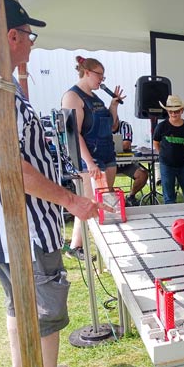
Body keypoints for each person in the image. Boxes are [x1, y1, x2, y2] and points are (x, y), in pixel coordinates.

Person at [0, 0, 107, 367]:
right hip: (25, 226)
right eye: (30, 36)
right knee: (46, 306)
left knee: (19, 302)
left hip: (3, 226)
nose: (32, 44)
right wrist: (72, 201)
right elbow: (9, 166)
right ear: (11, 36)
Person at [61, 55, 125, 260]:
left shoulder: (96, 98)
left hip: (107, 154)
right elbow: (74, 133)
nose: (101, 80)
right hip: (91, 158)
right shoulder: (73, 96)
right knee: (89, 202)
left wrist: (113, 105)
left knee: (104, 201)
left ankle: (95, 245)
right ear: (86, 72)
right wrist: (89, 162)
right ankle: (78, 247)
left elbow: (112, 126)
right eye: (99, 75)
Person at [153, 94, 184, 204]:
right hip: (166, 165)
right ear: (167, 112)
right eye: (170, 111)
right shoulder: (161, 126)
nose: (173, 114)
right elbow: (156, 142)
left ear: (182, 111)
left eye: (176, 111)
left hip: (183, 164)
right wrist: (162, 154)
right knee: (169, 196)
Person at [115, 120, 148, 206]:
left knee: (143, 174)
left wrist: (107, 146)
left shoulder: (125, 126)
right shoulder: (101, 127)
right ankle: (111, 200)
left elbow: (126, 144)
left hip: (127, 163)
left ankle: (131, 196)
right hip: (109, 164)